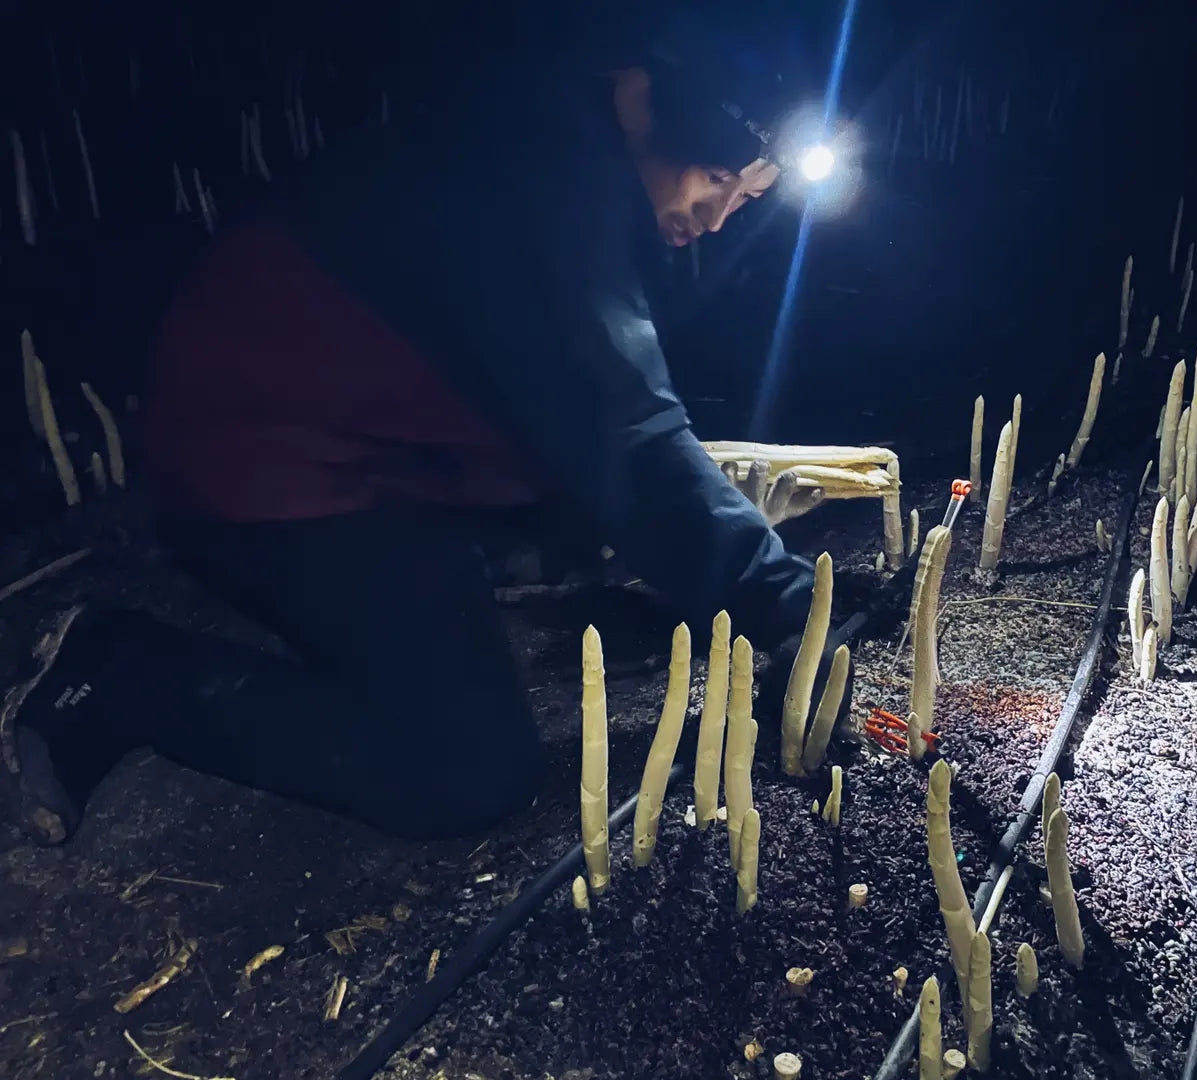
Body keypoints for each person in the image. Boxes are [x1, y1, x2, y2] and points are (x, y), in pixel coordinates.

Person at [1, 10, 838, 846]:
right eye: (720, 177)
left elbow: (601, 401)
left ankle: (450, 564)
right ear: (644, 99)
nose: (720, 214)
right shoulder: (539, 176)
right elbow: (625, 428)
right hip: (263, 452)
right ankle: (117, 672)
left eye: (747, 197)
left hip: (381, 438)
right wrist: (793, 610)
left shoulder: (563, 144)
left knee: (582, 531)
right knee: (467, 766)